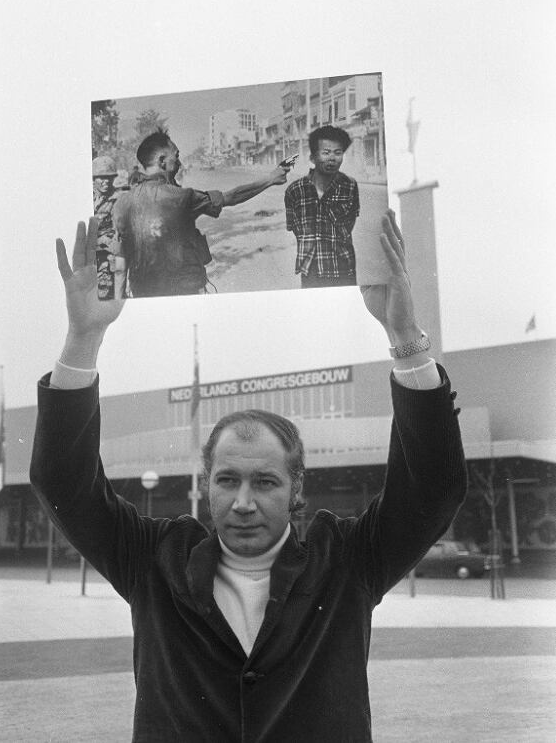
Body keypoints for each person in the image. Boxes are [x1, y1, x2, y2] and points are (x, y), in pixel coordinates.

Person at [30, 210, 467, 742]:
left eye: (265, 482)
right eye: (227, 480)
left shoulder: (348, 562)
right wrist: (83, 337)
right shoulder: (152, 561)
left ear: (297, 487)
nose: (242, 501)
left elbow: (435, 487)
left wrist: (404, 335)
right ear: (207, 481)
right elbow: (62, 482)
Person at [112, 129, 291, 297]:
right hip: (184, 291)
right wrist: (271, 179)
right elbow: (232, 197)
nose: (180, 163)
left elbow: (120, 266)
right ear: (162, 161)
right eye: (176, 156)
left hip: (143, 293)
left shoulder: (122, 203)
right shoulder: (182, 197)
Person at [285, 125, 360, 288]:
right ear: (312, 158)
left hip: (343, 268)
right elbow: (295, 228)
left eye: (338, 153)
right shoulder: (295, 191)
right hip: (310, 271)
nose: (332, 158)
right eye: (326, 153)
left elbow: (349, 225)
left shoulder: (350, 186)